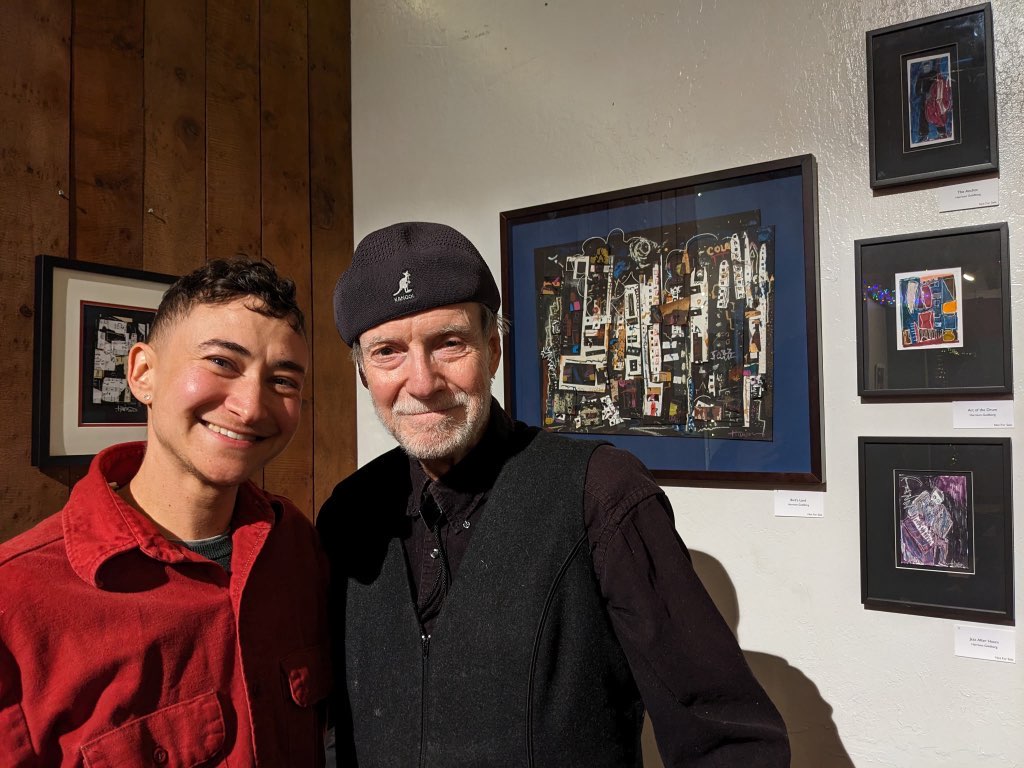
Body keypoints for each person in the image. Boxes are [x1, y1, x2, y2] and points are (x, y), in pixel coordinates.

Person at [317, 222, 790, 767]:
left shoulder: (601, 494)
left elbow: (728, 741)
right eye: (387, 352)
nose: (422, 382)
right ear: (362, 372)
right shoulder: (348, 515)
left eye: (449, 343)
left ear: (493, 349)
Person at [0, 259, 331, 766]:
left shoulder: (296, 546)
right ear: (142, 373)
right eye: (222, 362)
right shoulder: (18, 601)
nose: (251, 407)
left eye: (283, 381)